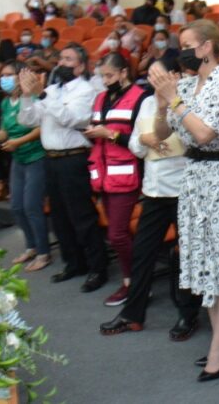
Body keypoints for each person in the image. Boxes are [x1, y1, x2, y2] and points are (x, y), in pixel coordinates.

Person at [147, 20, 219, 382]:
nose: (182, 53)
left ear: (209, 47)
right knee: (204, 263)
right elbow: (163, 133)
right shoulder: (182, 84)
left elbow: (205, 132)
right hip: (193, 178)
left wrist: (175, 99)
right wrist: (164, 104)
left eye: (188, 45)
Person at [99, 58, 202, 341]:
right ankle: (133, 314)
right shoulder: (145, 103)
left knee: (185, 256)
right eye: (150, 74)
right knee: (143, 253)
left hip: (183, 190)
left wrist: (159, 130)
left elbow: (197, 141)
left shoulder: (189, 100)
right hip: (154, 190)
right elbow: (134, 145)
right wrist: (146, 140)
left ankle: (187, 314)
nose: (152, 79)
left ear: (175, 75)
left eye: (158, 74)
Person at [17, 44, 109, 291]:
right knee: (59, 216)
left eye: (69, 59)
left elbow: (72, 119)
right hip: (51, 158)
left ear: (80, 65)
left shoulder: (86, 90)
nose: (62, 63)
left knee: (82, 215)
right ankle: (73, 263)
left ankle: (97, 267)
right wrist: (27, 95)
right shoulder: (50, 89)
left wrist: (43, 97)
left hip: (74, 158)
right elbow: (27, 120)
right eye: (61, 58)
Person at [83, 53, 147, 307]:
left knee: (117, 234)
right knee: (115, 233)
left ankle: (135, 282)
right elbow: (97, 129)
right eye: (102, 76)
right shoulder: (100, 98)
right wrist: (93, 134)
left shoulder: (140, 98)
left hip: (126, 173)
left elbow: (141, 141)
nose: (105, 80)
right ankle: (134, 279)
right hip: (103, 173)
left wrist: (109, 134)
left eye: (109, 75)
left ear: (123, 73)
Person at [0, 61, 48, 272]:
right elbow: (5, 129)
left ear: (19, 77)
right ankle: (31, 246)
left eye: (8, 74)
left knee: (32, 206)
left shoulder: (31, 98)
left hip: (35, 156)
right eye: (1, 75)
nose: (3, 79)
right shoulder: (6, 103)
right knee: (16, 206)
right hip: (18, 158)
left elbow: (41, 128)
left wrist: (18, 142)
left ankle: (43, 252)